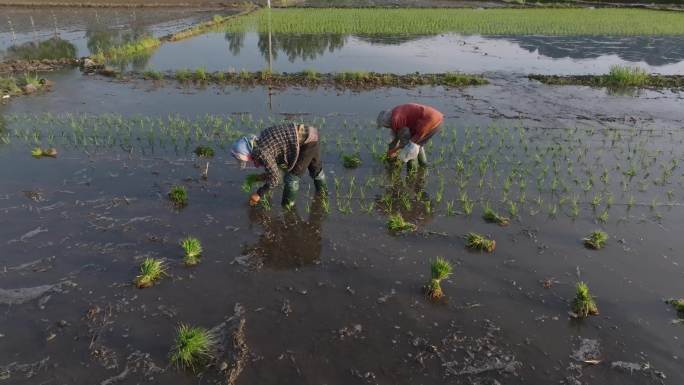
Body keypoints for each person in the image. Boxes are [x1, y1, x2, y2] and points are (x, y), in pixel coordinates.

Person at [231, 122, 327, 208]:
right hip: (312, 133)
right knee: (315, 169)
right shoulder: (262, 139)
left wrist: (259, 194)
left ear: (249, 153)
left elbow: (275, 179)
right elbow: (278, 169)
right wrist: (262, 177)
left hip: (307, 142)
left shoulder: (262, 153)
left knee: (291, 178)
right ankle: (323, 194)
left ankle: (288, 208)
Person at [377, 103, 444, 171]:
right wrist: (392, 148)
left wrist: (393, 151)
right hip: (436, 118)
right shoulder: (395, 112)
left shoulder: (396, 120)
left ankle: (412, 174)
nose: (386, 127)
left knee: (411, 148)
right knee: (418, 143)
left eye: (384, 126)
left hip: (429, 121)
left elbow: (405, 142)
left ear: (386, 123)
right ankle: (423, 164)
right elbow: (396, 135)